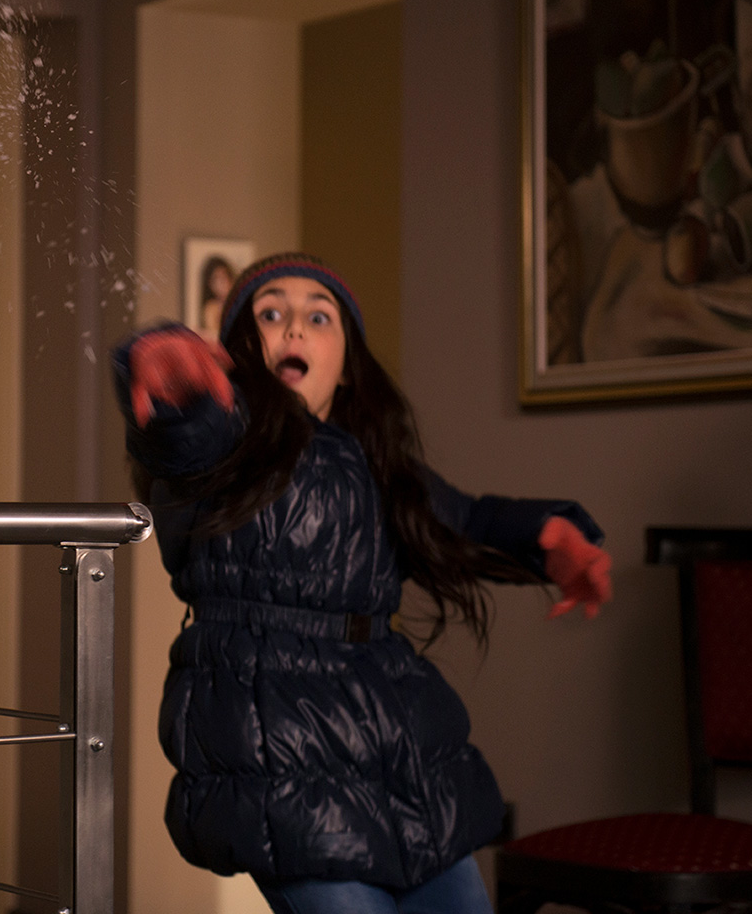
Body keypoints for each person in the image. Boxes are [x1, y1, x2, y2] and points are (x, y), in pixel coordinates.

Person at [111, 252, 612, 914]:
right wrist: (167, 371)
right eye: (269, 313)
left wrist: (553, 537)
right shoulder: (228, 443)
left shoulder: (376, 466)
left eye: (318, 316)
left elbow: (467, 519)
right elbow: (183, 430)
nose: (292, 325)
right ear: (234, 354)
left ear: (345, 367)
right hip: (278, 738)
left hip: (394, 737)